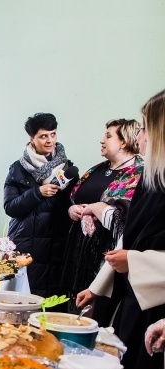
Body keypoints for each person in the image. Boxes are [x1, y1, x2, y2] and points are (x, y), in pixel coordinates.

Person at [77, 88, 165, 369]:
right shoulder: (152, 180)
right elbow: (128, 242)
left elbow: (139, 253)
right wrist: (99, 286)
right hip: (134, 305)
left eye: (146, 128)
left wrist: (139, 263)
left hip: (157, 315)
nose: (139, 136)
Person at [59, 119, 143, 325]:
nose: (102, 140)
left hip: (107, 256)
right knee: (72, 312)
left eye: (108, 136)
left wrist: (96, 208)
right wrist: (72, 210)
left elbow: (125, 219)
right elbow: (74, 198)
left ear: (123, 142)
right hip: (79, 250)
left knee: (97, 316)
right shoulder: (96, 169)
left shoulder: (139, 173)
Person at [3, 112, 79, 297]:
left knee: (54, 303)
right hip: (26, 245)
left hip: (58, 245)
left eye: (53, 134)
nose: (50, 140)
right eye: (43, 136)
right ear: (32, 138)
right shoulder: (18, 169)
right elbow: (10, 207)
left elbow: (72, 205)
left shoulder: (68, 169)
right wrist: (37, 192)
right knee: (23, 300)